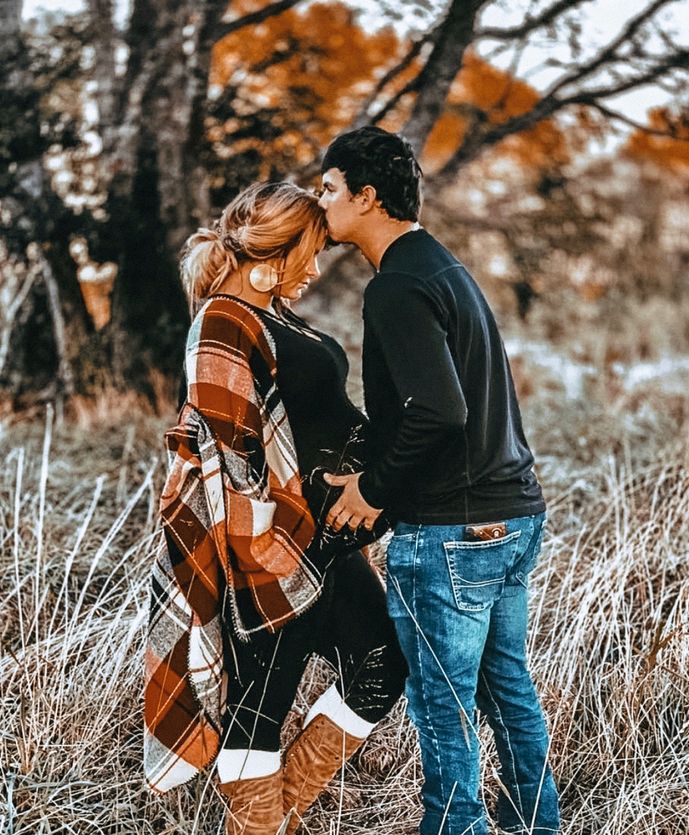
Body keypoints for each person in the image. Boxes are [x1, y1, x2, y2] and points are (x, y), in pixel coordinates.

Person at [143, 181, 406, 835]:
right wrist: (264, 553)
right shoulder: (224, 319)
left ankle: (274, 817)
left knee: (381, 664)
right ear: (274, 251)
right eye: (308, 253)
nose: (314, 269)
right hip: (264, 546)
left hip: (319, 539)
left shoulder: (271, 314)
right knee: (259, 705)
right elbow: (230, 454)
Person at [318, 127, 560, 835]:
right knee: (506, 691)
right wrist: (370, 471)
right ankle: (533, 825)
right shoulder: (441, 268)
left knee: (441, 704)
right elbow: (433, 410)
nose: (320, 202)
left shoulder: (395, 285)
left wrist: (372, 492)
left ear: (366, 196)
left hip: (454, 531)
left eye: (329, 188)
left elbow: (438, 411)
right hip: (510, 518)